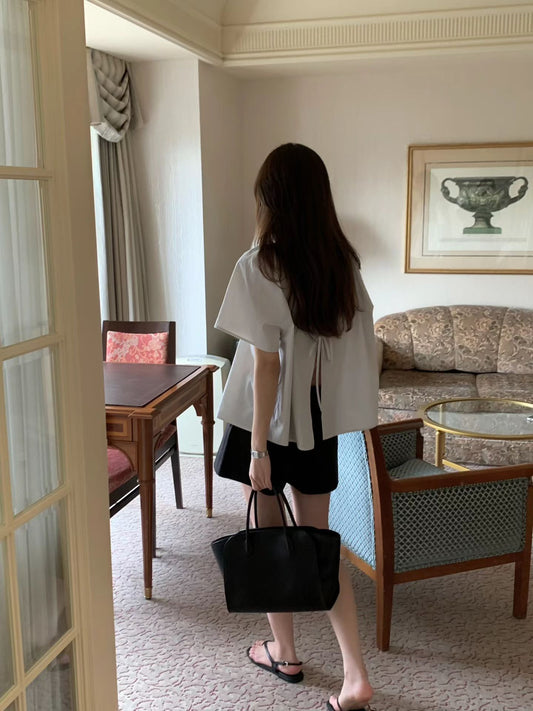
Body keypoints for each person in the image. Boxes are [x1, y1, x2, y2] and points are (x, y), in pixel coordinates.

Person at [214, 143, 379, 711]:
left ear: (271, 199)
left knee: (269, 540)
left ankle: (284, 652)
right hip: (316, 421)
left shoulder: (258, 264)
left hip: (263, 425)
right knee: (318, 543)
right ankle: (355, 675)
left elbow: (266, 365)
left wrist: (259, 448)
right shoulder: (341, 263)